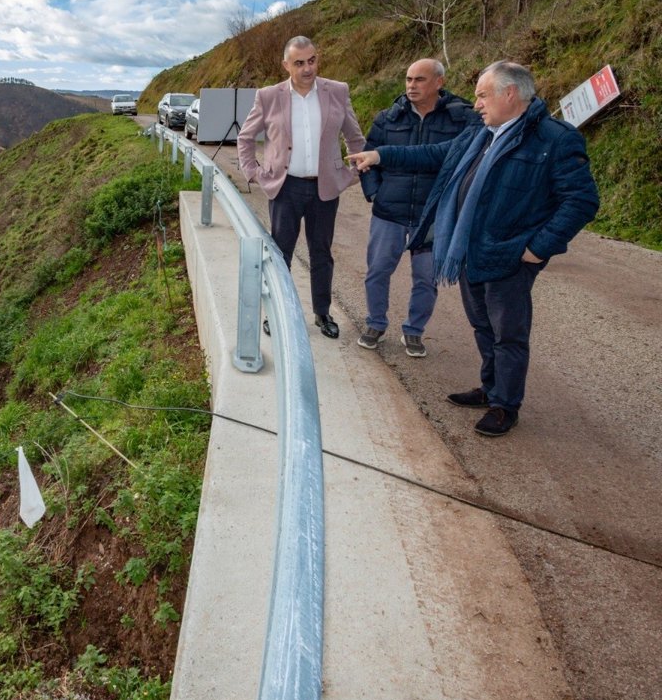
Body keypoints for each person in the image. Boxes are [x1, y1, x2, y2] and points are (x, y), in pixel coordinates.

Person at [347, 61, 599, 436]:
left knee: (508, 333)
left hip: (510, 255)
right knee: (483, 326)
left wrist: (538, 248)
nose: (477, 104)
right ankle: (491, 388)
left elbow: (581, 200)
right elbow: (434, 153)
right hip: (470, 250)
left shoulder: (554, 139)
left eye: (483, 95)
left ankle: (505, 406)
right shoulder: (480, 134)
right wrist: (380, 155)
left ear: (509, 94)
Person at [237, 35, 366, 339]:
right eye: (299, 63)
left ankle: (322, 313)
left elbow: (355, 137)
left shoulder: (337, 91)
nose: (308, 68)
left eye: (312, 60)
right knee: (281, 254)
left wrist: (353, 172)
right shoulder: (268, 96)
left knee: (321, 252)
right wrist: (253, 172)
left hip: (325, 189)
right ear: (286, 65)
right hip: (285, 189)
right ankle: (277, 314)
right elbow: (245, 138)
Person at [357, 59, 482, 357]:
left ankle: (414, 331)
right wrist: (375, 192)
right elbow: (367, 157)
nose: (411, 85)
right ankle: (375, 323)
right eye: (408, 79)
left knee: (426, 278)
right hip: (389, 211)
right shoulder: (388, 118)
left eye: (419, 80)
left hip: (433, 215)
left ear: (439, 82)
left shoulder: (462, 119)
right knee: (377, 271)